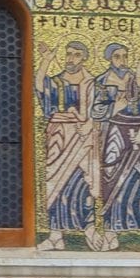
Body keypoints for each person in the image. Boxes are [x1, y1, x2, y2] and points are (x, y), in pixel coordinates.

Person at [92, 42, 140, 241]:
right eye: (117, 56)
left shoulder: (138, 80)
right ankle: (111, 231)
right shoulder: (101, 81)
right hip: (114, 133)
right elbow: (96, 112)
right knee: (111, 175)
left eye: (125, 56)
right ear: (109, 58)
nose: (122, 61)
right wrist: (117, 106)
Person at [37, 40, 100, 249]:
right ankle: (56, 234)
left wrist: (90, 124)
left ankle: (89, 229)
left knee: (82, 184)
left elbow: (100, 111)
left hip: (82, 140)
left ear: (84, 58)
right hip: (59, 138)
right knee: (56, 184)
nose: (70, 58)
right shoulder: (56, 81)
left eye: (76, 55)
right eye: (68, 54)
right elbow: (39, 87)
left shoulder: (91, 84)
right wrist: (46, 61)